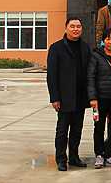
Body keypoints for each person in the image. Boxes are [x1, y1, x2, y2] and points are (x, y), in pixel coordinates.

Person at [47, 17, 91, 171]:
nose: (75, 29)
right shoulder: (56, 48)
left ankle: (74, 157)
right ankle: (61, 159)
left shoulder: (85, 48)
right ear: (66, 28)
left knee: (77, 129)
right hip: (64, 97)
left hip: (80, 96)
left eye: (78, 26)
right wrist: (55, 98)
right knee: (62, 130)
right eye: (72, 26)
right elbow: (51, 75)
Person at [87, 28, 111, 169]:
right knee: (99, 126)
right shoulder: (96, 55)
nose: (110, 42)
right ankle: (99, 154)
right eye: (108, 39)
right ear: (103, 41)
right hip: (100, 98)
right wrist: (92, 97)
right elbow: (90, 77)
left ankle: (110, 154)